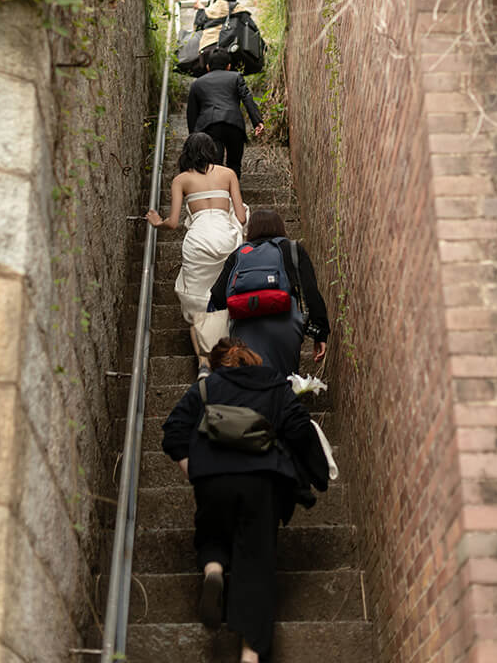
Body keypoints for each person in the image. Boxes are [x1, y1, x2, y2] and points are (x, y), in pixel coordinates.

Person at [162, 337, 329, 663]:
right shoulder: (275, 387)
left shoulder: (206, 389)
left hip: (213, 479)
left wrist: (195, 469)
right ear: (252, 360)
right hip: (261, 479)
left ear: (218, 363)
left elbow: (173, 431)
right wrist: (314, 474)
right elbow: (298, 428)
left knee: (212, 527)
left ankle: (213, 569)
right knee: (256, 562)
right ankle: (250, 654)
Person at [146, 133, 248, 371]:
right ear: (212, 151)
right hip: (226, 240)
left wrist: (156, 221)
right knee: (227, 296)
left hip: (199, 241)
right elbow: (241, 217)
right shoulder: (228, 174)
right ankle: (231, 355)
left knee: (197, 301)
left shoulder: (181, 180)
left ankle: (204, 362)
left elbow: (172, 223)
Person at [209, 209, 330, 377]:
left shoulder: (238, 255)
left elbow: (217, 297)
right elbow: (310, 292)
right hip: (285, 327)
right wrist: (320, 332)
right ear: (280, 228)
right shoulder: (292, 249)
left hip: (245, 330)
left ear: (251, 231)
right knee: (283, 380)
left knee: (249, 379)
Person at [186, 48, 264, 180]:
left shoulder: (197, 83)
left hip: (210, 127)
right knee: (234, 164)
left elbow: (192, 113)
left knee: (214, 165)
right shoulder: (236, 77)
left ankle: (217, 195)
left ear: (208, 67)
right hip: (234, 125)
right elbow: (247, 98)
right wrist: (257, 121)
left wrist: (193, 137)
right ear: (228, 66)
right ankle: (233, 195)